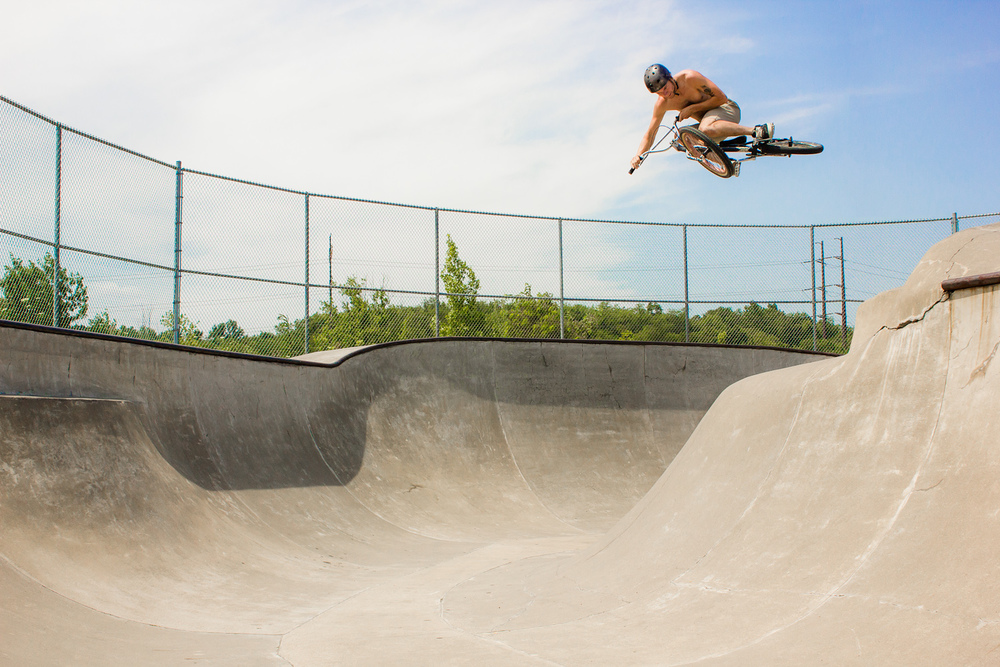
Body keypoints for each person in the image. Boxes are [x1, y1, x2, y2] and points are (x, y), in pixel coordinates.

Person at [630, 64, 774, 172]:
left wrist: (691, 109)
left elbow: (721, 98)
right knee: (680, 139)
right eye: (660, 93)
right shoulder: (662, 103)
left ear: (669, 77)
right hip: (710, 126)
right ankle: (727, 164)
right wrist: (638, 155)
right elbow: (650, 134)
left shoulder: (690, 78)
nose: (665, 94)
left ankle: (757, 131)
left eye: (665, 88)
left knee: (705, 127)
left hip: (728, 109)